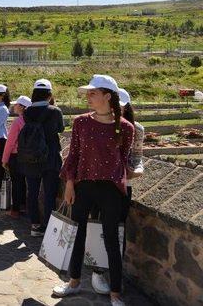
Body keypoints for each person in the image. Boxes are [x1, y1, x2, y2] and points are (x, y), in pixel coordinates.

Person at [53, 75, 134, 306]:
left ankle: (115, 292)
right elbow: (73, 156)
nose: (88, 97)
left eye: (92, 93)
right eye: (87, 93)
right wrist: (69, 183)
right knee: (76, 235)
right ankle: (74, 281)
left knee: (111, 239)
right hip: (84, 186)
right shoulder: (81, 122)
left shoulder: (126, 128)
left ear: (107, 96)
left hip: (110, 190)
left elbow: (123, 159)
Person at [90, 87, 145, 295]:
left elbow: (138, 158)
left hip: (122, 187)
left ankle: (115, 275)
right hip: (99, 185)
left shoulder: (135, 128)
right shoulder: (97, 123)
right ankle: (97, 270)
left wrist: (134, 172)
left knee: (117, 233)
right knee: (98, 229)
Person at [22, 79, 64, 236]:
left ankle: (34, 225)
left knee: (32, 192)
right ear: (49, 94)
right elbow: (60, 128)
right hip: (51, 156)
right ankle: (47, 227)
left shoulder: (27, 112)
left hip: (32, 156)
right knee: (49, 193)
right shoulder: (55, 111)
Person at [1, 95, 31, 219]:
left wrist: (4, 159)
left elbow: (10, 142)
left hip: (15, 156)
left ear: (22, 107)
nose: (14, 106)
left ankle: (15, 209)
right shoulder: (31, 121)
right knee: (24, 182)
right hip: (28, 156)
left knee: (16, 182)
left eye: (17, 104)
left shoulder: (17, 122)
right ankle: (24, 206)